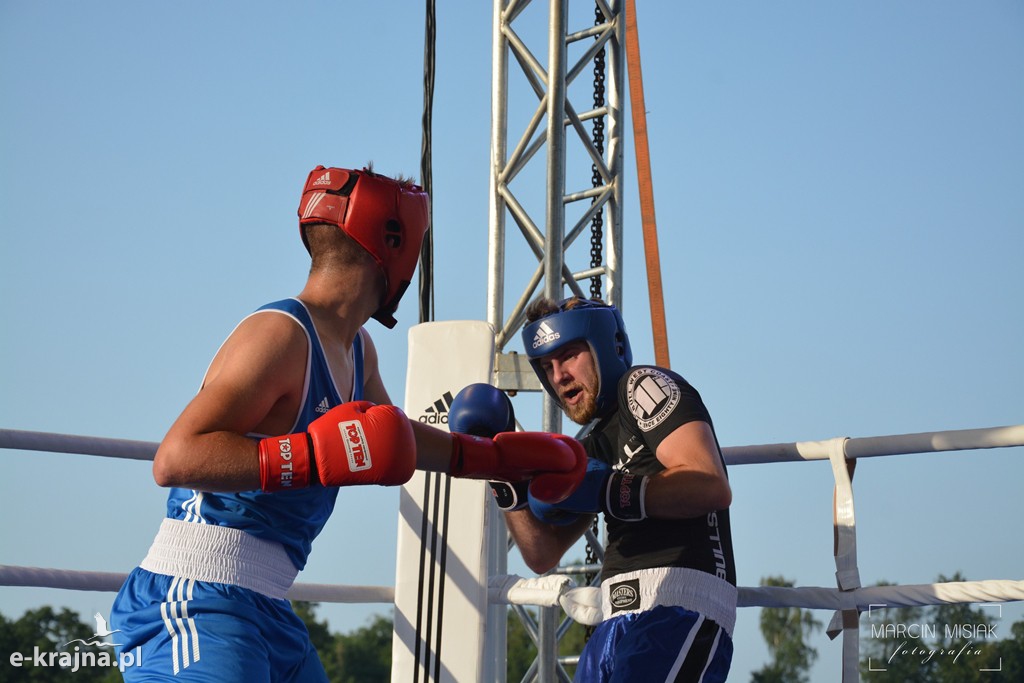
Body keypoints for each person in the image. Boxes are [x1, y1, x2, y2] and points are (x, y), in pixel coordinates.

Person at [109, 165, 586, 681]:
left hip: (269, 605)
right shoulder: (280, 335)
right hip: (194, 595)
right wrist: (310, 456)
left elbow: (394, 440)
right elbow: (176, 458)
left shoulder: (358, 349)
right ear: (393, 241)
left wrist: (488, 457)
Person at [453, 296, 737, 681]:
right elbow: (542, 552)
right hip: (613, 619)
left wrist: (610, 490)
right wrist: (501, 474)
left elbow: (710, 485)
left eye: (568, 355)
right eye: (546, 366)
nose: (558, 376)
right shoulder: (588, 444)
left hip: (678, 606)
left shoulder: (644, 386)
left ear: (609, 346)